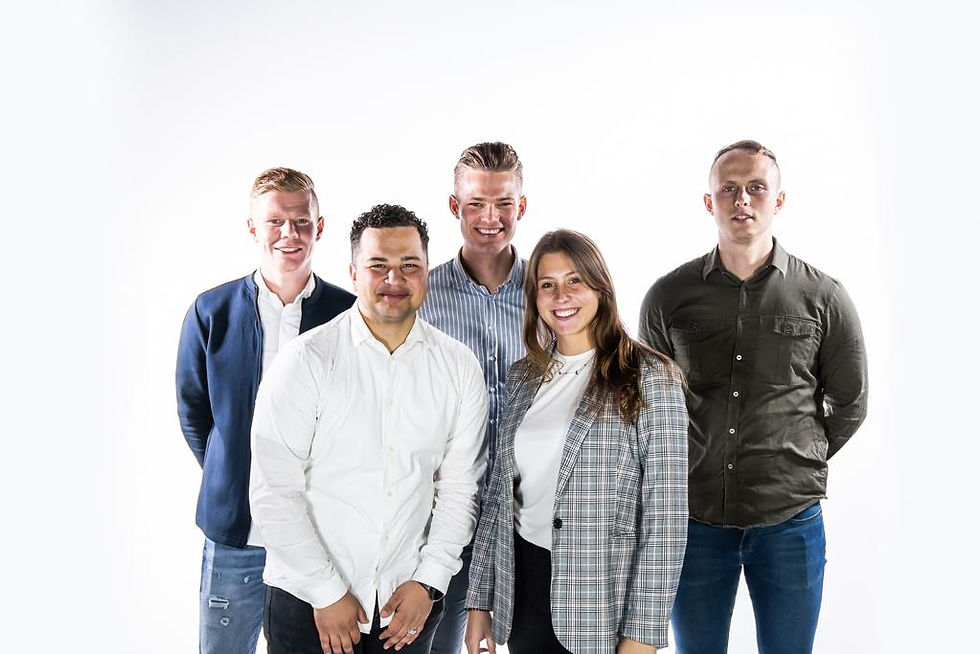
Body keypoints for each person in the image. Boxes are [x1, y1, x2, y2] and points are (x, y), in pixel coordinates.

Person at [639, 140, 869, 654]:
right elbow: (650, 406)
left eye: (756, 188)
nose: (742, 199)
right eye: (729, 189)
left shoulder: (823, 296)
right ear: (710, 202)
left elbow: (850, 402)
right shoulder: (668, 297)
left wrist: (795, 458)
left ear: (778, 200)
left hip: (790, 522)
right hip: (694, 522)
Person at [250, 204, 489, 654]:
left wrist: (430, 582)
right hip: (308, 603)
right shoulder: (305, 361)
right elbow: (273, 490)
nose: (394, 279)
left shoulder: (459, 367)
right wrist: (327, 592)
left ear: (427, 273)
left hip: (406, 605)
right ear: (353, 273)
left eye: (409, 265)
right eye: (378, 265)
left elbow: (460, 488)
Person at [466, 230, 689, 654]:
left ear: (600, 288)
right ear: (534, 298)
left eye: (575, 281)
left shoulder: (650, 376)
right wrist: (480, 600)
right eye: (547, 285)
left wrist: (642, 635)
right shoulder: (522, 376)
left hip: (601, 601)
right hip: (523, 589)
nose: (561, 296)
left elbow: (667, 520)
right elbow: (498, 497)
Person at [176, 167, 355, 654]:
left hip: (319, 541)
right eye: (275, 221)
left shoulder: (349, 314)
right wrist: (232, 471)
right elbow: (194, 411)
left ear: (320, 227)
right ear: (253, 228)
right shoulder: (211, 311)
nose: (288, 234)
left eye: (301, 221)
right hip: (236, 535)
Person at [419, 141, 528, 654]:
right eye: (475, 204)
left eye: (503, 203)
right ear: (453, 206)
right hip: (444, 515)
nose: (490, 218)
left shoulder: (552, 293)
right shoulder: (422, 297)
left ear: (521, 206)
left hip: (529, 513)